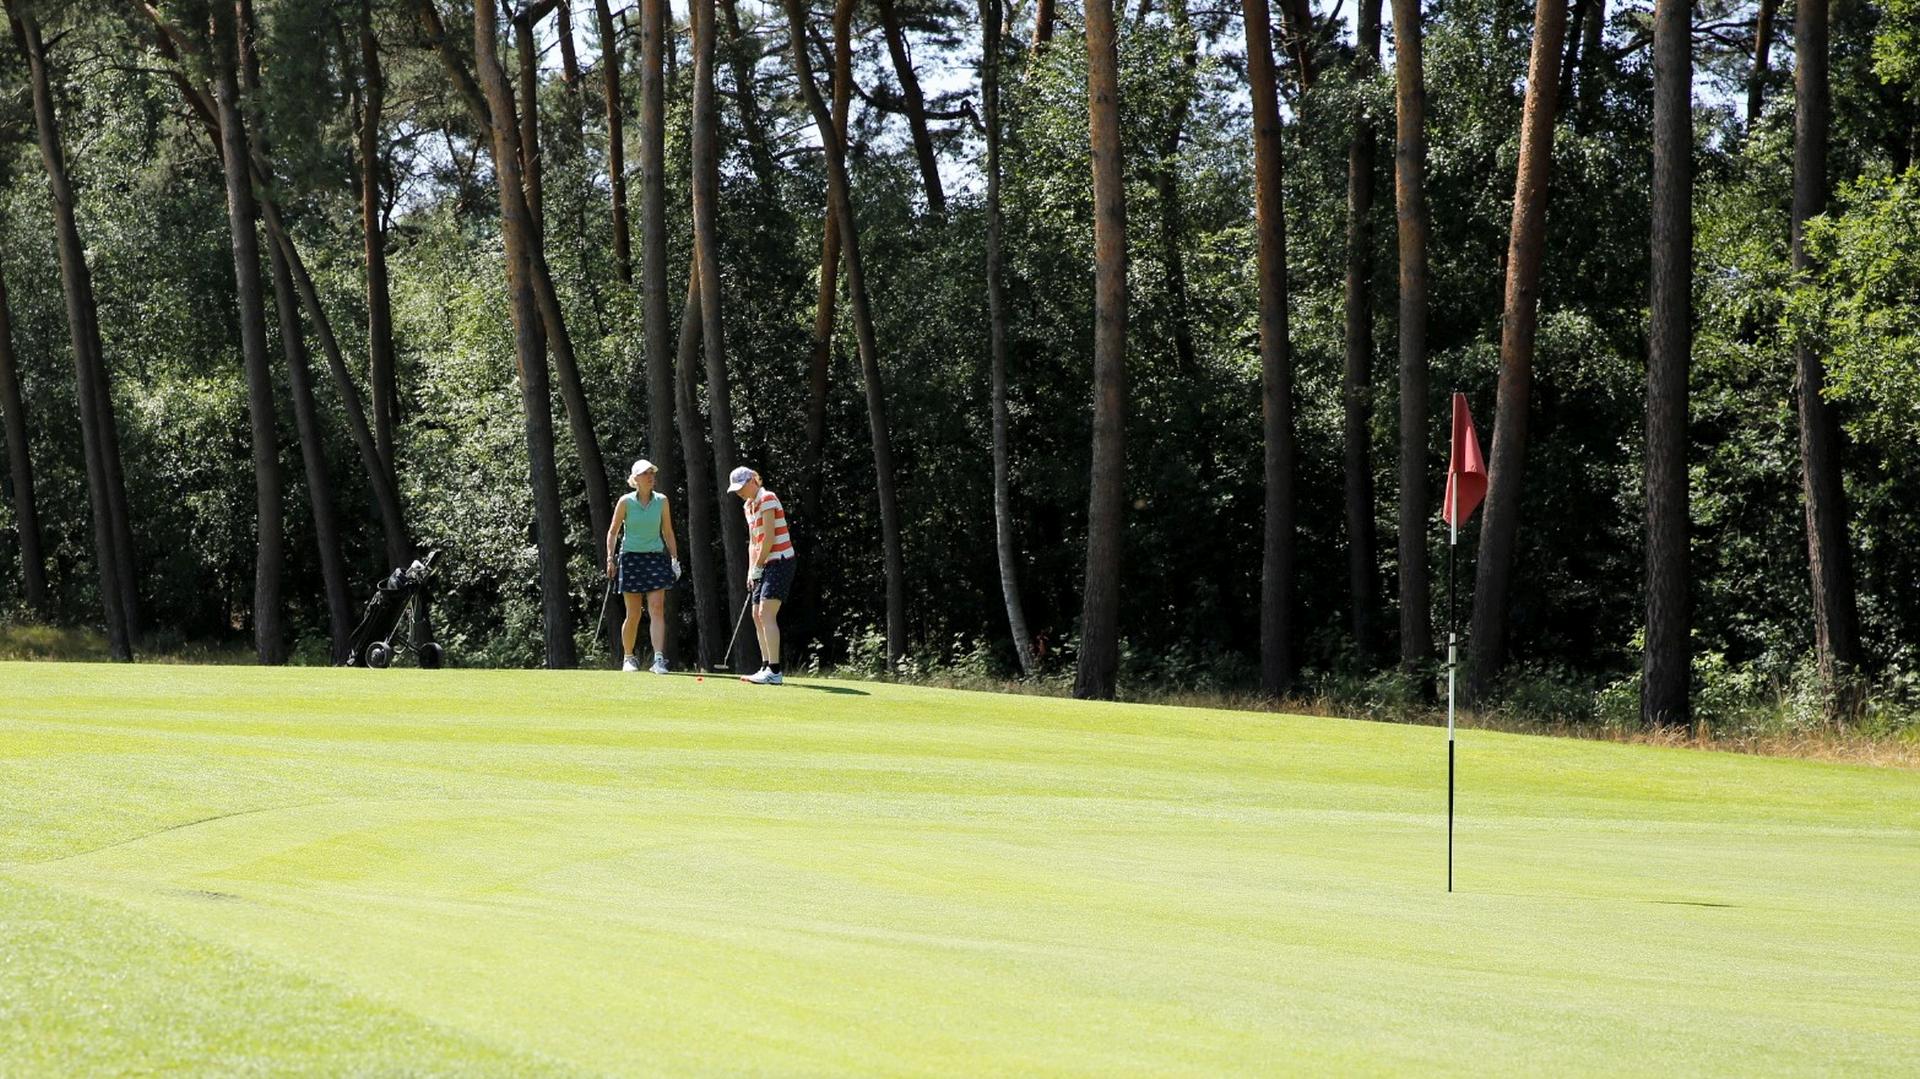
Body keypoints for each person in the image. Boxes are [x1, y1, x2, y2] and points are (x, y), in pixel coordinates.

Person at [606, 459, 680, 673]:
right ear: (635, 479)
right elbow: (613, 532)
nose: (650, 476)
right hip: (630, 558)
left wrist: (674, 559)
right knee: (633, 613)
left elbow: (667, 531)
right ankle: (628, 657)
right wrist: (610, 558)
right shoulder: (625, 502)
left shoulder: (662, 501)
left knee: (656, 608)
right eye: (645, 473)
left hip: (655, 557)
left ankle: (658, 660)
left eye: (651, 473)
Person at [727, 465, 796, 685]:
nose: (739, 492)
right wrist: (752, 570)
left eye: (741, 487)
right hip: (763, 562)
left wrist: (758, 565)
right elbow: (754, 542)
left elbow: (769, 537)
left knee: (766, 613)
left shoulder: (767, 498)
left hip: (780, 560)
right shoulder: (748, 506)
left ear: (752, 481)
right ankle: (766, 666)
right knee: (756, 614)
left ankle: (774, 671)